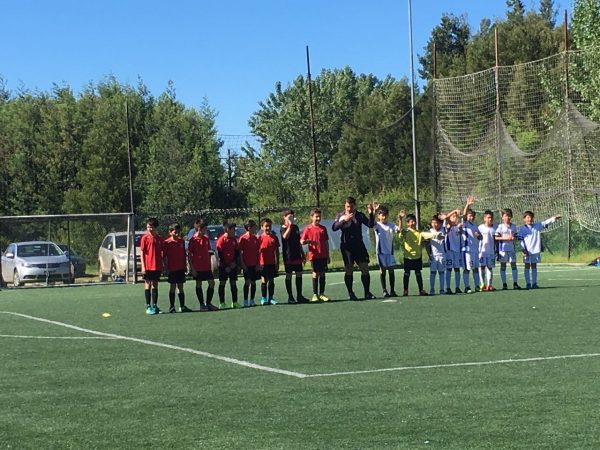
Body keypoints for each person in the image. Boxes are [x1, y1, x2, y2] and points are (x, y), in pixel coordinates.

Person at [332, 197, 376, 300]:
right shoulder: (341, 215)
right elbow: (334, 227)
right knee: (349, 269)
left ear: (355, 206)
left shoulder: (359, 215)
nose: (349, 209)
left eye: (351, 206)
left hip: (359, 245)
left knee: (364, 268)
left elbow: (370, 225)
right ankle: (350, 293)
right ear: (345, 206)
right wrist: (344, 221)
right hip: (347, 247)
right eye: (347, 206)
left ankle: (367, 292)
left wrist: (371, 213)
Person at [398, 210, 440, 296]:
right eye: (412, 221)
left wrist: (437, 235)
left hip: (417, 257)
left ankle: (421, 290)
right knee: (406, 274)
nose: (414, 223)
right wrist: (400, 219)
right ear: (407, 223)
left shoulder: (419, 233)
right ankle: (405, 290)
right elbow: (400, 230)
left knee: (418, 274)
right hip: (408, 257)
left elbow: (428, 235)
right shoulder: (406, 232)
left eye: (414, 221)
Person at [518, 211, 561, 289]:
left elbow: (546, 222)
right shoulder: (522, 229)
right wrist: (523, 249)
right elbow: (521, 240)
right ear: (524, 219)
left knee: (534, 266)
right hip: (527, 251)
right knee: (527, 266)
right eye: (528, 217)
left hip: (535, 251)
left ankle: (534, 283)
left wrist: (554, 218)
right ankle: (528, 283)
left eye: (531, 217)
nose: (529, 219)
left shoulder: (537, 226)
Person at [300, 207, 330, 302]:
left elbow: (326, 242)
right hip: (314, 255)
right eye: (316, 216)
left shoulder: (323, 228)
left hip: (323, 255)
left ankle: (322, 294)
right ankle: (315, 294)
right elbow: (302, 241)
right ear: (311, 217)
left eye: (319, 217)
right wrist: (309, 242)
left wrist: (328, 255)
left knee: (323, 273)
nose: (318, 218)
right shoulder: (308, 228)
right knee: (315, 273)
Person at [188, 219, 218, 311]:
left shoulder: (206, 238)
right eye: (205, 228)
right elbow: (189, 255)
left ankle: (208, 303)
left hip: (206, 266)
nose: (206, 230)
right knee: (199, 284)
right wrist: (192, 268)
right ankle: (202, 305)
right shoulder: (193, 240)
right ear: (199, 229)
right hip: (197, 267)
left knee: (212, 283)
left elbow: (208, 250)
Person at [163, 223, 192, 313]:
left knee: (180, 287)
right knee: (172, 287)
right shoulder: (167, 242)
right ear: (170, 232)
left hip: (180, 268)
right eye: (175, 232)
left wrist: (185, 266)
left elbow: (184, 254)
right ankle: (172, 307)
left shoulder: (181, 241)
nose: (177, 233)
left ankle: (182, 306)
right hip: (172, 268)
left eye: (178, 231)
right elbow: (164, 256)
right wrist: (166, 267)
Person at [281, 209, 308, 304]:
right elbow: (285, 236)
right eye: (289, 217)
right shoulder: (283, 228)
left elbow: (298, 241)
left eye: (292, 216)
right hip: (288, 255)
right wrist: (290, 225)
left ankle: (299, 295)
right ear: (284, 217)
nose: (291, 218)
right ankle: (290, 297)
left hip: (297, 254)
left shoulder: (296, 227)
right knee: (289, 275)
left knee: (299, 274)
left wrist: (302, 253)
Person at [373, 205, 399, 297]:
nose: (384, 217)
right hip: (380, 252)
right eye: (382, 215)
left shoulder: (391, 225)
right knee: (383, 270)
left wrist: (400, 219)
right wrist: (374, 211)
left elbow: (399, 230)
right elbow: (371, 222)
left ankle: (392, 290)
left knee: (391, 270)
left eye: (386, 215)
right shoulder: (377, 225)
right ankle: (384, 290)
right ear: (378, 216)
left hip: (390, 252)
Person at [140, 217, 164, 315]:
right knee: (148, 284)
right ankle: (148, 306)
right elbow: (142, 253)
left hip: (156, 266)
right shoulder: (145, 238)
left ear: (156, 227)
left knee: (155, 284)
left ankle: (154, 305)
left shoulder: (159, 239)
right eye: (148, 227)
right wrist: (143, 266)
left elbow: (161, 253)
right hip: (148, 266)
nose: (149, 229)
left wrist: (162, 264)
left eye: (151, 227)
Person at [495, 208, 522, 290]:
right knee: (503, 266)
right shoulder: (500, 226)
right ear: (502, 217)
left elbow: (516, 236)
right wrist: (505, 238)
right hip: (503, 250)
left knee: (513, 265)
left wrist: (513, 238)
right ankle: (504, 284)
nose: (507, 218)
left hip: (511, 249)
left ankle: (515, 283)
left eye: (509, 216)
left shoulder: (513, 226)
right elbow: (496, 237)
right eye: (505, 216)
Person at [216, 222, 241, 309]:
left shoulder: (234, 240)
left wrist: (234, 263)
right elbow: (220, 255)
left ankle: (235, 302)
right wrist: (226, 266)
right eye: (233, 229)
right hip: (223, 266)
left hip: (232, 265)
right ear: (227, 230)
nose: (234, 231)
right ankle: (222, 303)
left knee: (233, 283)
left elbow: (237, 252)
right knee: (222, 283)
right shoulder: (221, 240)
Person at [461, 196, 482, 293]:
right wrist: (467, 204)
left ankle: (477, 286)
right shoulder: (465, 224)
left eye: (472, 216)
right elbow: (464, 215)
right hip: (467, 251)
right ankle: (467, 287)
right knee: (467, 269)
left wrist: (479, 235)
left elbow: (480, 237)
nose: (471, 217)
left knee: (476, 269)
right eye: (470, 215)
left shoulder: (475, 226)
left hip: (475, 250)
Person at [257, 218, 280, 305]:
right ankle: (263, 298)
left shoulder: (274, 237)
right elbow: (257, 251)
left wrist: (277, 262)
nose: (268, 228)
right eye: (266, 226)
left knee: (271, 280)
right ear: (262, 227)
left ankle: (271, 298)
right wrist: (258, 263)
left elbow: (276, 251)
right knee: (264, 280)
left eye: (269, 226)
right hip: (262, 263)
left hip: (272, 263)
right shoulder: (259, 238)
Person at [238, 219, 260, 307]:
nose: (256, 228)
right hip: (246, 265)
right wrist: (242, 264)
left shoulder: (255, 238)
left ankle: (252, 300)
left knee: (253, 282)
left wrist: (258, 263)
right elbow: (240, 253)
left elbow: (258, 252)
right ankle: (245, 300)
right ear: (249, 228)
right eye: (254, 227)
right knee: (247, 282)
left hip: (254, 264)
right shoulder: (242, 238)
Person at [443, 208, 464, 294]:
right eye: (453, 216)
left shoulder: (458, 226)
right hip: (450, 250)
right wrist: (455, 210)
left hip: (457, 251)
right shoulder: (448, 225)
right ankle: (448, 288)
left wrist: (460, 228)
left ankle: (457, 287)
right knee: (449, 269)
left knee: (457, 269)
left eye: (456, 217)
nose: (455, 218)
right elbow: (446, 218)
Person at [427, 214, 446, 295]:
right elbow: (427, 244)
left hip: (442, 255)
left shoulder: (443, 230)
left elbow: (442, 236)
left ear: (440, 224)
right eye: (433, 222)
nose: (434, 224)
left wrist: (444, 217)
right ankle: (432, 289)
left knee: (441, 273)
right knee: (433, 273)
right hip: (433, 256)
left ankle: (442, 289)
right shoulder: (429, 231)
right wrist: (429, 254)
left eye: (436, 223)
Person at [478, 210, 497, 291]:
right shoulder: (480, 227)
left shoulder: (495, 228)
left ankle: (489, 285)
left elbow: (496, 239)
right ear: (484, 218)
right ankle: (482, 284)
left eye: (491, 217)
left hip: (491, 251)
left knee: (490, 268)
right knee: (482, 267)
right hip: (482, 251)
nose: (490, 219)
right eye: (488, 217)